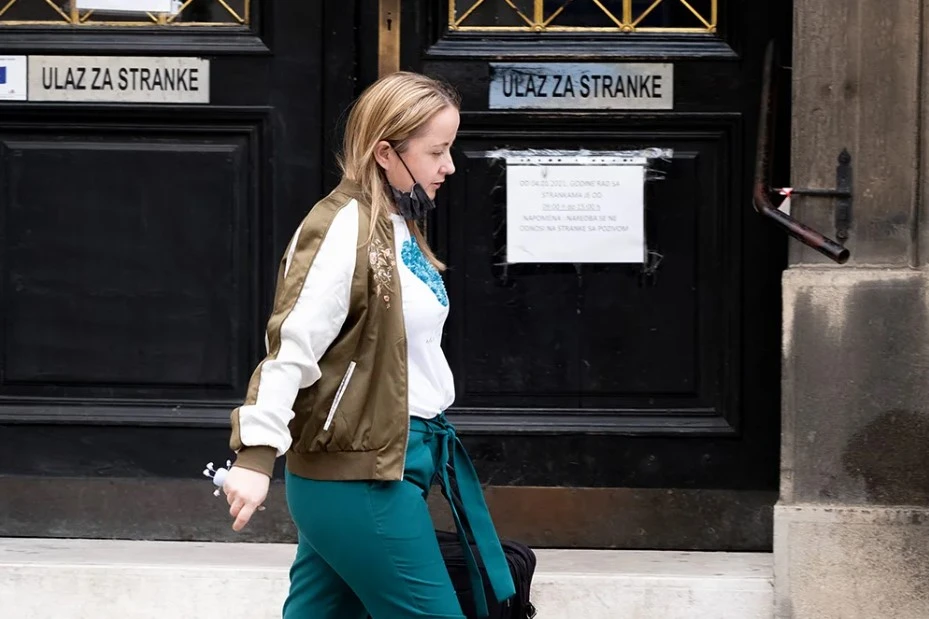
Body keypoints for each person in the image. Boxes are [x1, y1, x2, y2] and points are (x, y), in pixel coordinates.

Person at [221, 71, 516, 619]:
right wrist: (256, 456)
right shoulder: (342, 227)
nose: (449, 166)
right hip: (359, 474)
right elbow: (291, 345)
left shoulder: (396, 224)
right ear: (385, 153)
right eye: (437, 152)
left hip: (391, 461)